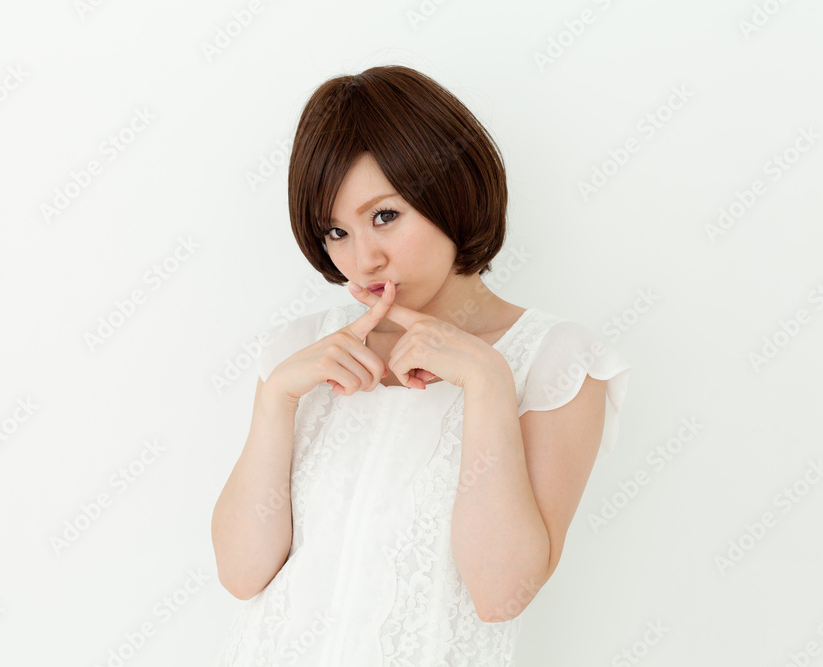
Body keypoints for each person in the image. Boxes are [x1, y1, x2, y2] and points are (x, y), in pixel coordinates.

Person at [211, 65, 631, 666]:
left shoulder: (556, 361)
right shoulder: (298, 354)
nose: (364, 259)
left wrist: (488, 382)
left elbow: (499, 595)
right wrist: (276, 400)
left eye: (385, 216)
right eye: (336, 231)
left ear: (450, 191)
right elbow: (241, 574)